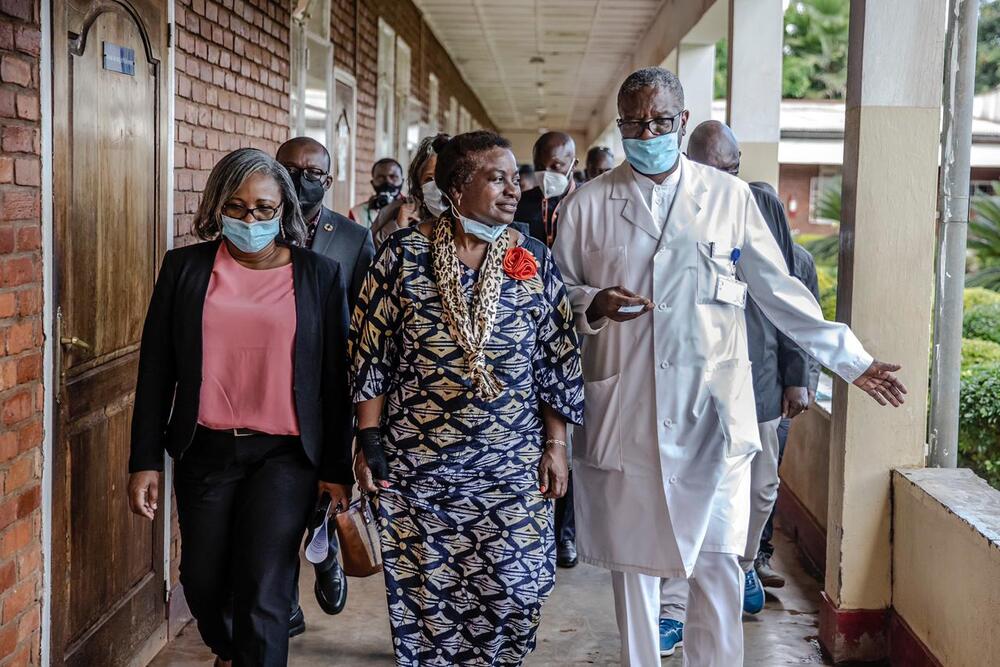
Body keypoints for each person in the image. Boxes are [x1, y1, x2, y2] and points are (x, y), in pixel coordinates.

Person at [552, 67, 907, 667]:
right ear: (621, 125)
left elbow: (780, 291)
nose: (648, 131)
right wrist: (594, 303)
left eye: (660, 120)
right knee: (636, 580)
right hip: (627, 419)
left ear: (682, 121)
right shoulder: (586, 206)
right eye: (635, 122)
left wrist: (853, 360)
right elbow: (554, 299)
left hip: (713, 421)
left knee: (717, 569)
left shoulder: (728, 198)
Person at [350, 130, 584, 666]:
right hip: (420, 466)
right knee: (430, 601)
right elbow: (370, 356)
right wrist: (369, 441)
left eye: (512, 178)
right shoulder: (400, 258)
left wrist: (557, 444)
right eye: (495, 178)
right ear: (456, 187)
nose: (511, 190)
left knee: (517, 592)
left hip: (512, 466)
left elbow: (556, 359)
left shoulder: (531, 258)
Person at [126, 148, 354, 667]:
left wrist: (337, 470)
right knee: (202, 583)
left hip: (286, 457)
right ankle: (231, 653)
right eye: (236, 207)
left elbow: (335, 382)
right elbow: (156, 369)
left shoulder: (319, 275)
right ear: (217, 208)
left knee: (264, 589)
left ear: (285, 210)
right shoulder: (185, 269)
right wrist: (144, 459)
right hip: (204, 450)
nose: (250, 219)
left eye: (263, 209)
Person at [657, 121, 813, 655]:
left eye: (733, 168)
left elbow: (792, 296)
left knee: (761, 487)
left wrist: (799, 375)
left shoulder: (757, 204)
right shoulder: (670, 207)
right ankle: (673, 609)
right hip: (694, 386)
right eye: (713, 169)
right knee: (688, 500)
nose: (725, 178)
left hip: (762, 382)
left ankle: (744, 564)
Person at [275, 136, 375, 634]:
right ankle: (283, 602)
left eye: (311, 172)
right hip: (270, 389)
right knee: (273, 503)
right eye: (288, 168)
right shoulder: (257, 226)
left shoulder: (353, 239)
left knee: (318, 494)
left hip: (328, 390)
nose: (299, 178)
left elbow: (369, 323)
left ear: (328, 181)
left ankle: (325, 544)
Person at [757, 241, 823, 586]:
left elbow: (808, 325)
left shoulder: (800, 259)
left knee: (767, 478)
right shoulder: (731, 252)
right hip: (746, 386)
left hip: (783, 393)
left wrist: (804, 383)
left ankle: (759, 557)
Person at [370, 133, 451, 246]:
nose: (438, 185)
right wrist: (398, 226)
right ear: (418, 187)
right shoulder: (394, 211)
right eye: (430, 178)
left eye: (445, 176)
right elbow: (371, 252)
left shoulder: (473, 219)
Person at [514, 131, 578, 246]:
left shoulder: (588, 200)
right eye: (540, 167)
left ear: (574, 165)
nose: (546, 174)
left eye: (555, 166)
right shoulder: (520, 203)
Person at [349, 157, 404, 228]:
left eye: (393, 177)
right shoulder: (357, 213)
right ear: (372, 183)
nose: (388, 181)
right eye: (381, 177)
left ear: (402, 181)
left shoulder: (413, 210)